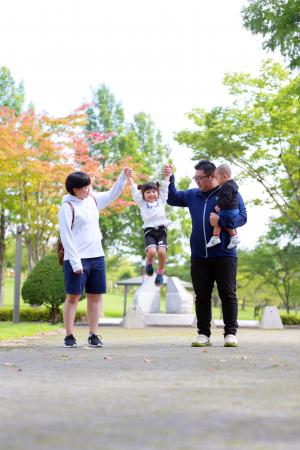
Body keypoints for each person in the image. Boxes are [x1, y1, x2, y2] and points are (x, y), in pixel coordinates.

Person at [164, 160, 247, 347]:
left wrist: (221, 219)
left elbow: (242, 217)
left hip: (225, 253)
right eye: (196, 178)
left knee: (228, 293)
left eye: (201, 178)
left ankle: (230, 334)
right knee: (201, 295)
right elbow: (172, 198)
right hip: (199, 254)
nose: (197, 182)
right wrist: (169, 178)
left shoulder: (229, 191)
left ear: (213, 176)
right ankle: (203, 334)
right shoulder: (193, 195)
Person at [58, 167, 132, 348]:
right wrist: (75, 263)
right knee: (73, 297)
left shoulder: (91, 199)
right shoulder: (67, 207)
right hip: (76, 258)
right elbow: (66, 236)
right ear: (75, 189)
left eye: (89, 185)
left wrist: (122, 177)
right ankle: (69, 335)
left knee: (95, 297)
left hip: (97, 256)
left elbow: (112, 194)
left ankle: (93, 334)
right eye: (85, 187)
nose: (88, 189)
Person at [126, 170, 170, 286]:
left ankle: (160, 271)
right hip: (149, 231)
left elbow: (165, 187)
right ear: (144, 195)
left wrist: (167, 175)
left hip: (161, 230)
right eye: (148, 192)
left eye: (154, 191)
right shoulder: (142, 203)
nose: (151, 194)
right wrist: (128, 178)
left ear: (157, 192)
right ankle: (149, 262)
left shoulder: (161, 201)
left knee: (161, 251)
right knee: (151, 251)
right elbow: (134, 190)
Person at [206, 163, 240, 249]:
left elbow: (226, 198)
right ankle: (234, 237)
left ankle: (215, 237)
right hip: (234, 210)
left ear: (224, 176)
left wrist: (219, 206)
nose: (216, 180)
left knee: (215, 219)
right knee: (225, 222)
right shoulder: (233, 184)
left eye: (217, 178)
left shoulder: (226, 186)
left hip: (228, 210)